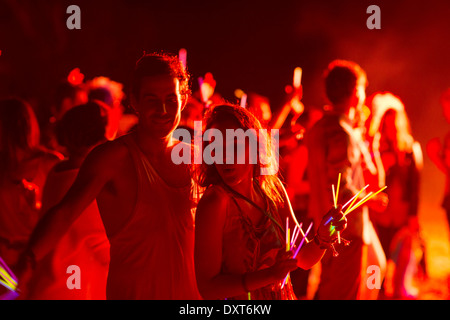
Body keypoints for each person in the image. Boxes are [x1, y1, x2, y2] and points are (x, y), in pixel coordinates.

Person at [17, 52, 202, 300]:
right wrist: (25, 263)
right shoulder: (113, 158)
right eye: (151, 100)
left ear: (184, 98)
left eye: (171, 98)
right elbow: (65, 213)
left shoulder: (196, 160)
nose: (163, 109)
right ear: (134, 102)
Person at [193, 104, 347, 300]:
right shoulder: (215, 202)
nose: (225, 156)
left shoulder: (272, 191)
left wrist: (324, 235)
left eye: (234, 145)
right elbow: (207, 288)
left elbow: (304, 258)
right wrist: (270, 275)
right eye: (216, 147)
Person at [306, 60, 386, 300]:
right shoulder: (341, 132)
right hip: (345, 229)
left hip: (324, 224)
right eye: (362, 87)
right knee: (343, 292)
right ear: (354, 92)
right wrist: (371, 200)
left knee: (328, 288)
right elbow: (340, 188)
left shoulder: (319, 127)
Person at [25, 102, 111, 299]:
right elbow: (103, 246)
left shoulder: (58, 172)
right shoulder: (83, 183)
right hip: (70, 289)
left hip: (49, 283)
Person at [367, 92, 424, 299]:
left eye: (394, 123)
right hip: (380, 217)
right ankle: (371, 293)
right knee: (374, 263)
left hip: (401, 217)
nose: (391, 128)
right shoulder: (376, 151)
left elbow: (416, 187)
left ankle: (399, 293)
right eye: (387, 123)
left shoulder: (411, 150)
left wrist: (413, 216)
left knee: (401, 264)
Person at [0, 98, 62, 271]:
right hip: (3, 262)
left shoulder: (50, 165)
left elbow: (63, 219)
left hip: (36, 261)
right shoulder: (3, 167)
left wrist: (34, 206)